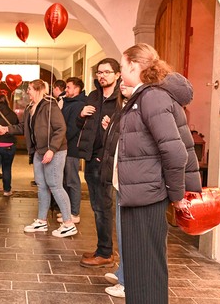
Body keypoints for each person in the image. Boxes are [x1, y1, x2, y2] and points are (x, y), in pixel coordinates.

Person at [118, 43, 201, 304]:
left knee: (146, 268)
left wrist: (178, 196)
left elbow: (175, 152)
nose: (121, 72)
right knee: (139, 268)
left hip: (148, 194)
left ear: (133, 65)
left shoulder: (152, 97)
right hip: (140, 192)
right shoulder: (145, 96)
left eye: (121, 66)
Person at [0, 79, 78, 238]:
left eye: (29, 89)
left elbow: (61, 128)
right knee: (42, 185)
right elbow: (23, 127)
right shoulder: (29, 108)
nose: (27, 92)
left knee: (55, 185)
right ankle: (41, 221)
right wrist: (6, 129)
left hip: (54, 151)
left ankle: (69, 224)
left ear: (39, 89)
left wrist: (52, 150)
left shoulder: (50, 105)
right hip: (38, 151)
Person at [77, 58, 120, 268]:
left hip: (107, 160)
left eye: (107, 72)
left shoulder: (121, 99)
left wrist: (112, 126)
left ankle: (106, 252)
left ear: (118, 75)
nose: (102, 76)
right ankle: (102, 247)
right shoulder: (93, 96)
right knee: (96, 206)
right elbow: (80, 126)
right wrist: (81, 114)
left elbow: (126, 130)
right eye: (99, 72)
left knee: (103, 206)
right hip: (90, 158)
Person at [99, 80, 133, 298]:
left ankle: (127, 281)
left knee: (128, 233)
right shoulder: (124, 109)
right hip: (121, 179)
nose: (122, 86)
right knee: (121, 230)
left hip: (133, 181)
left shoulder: (139, 109)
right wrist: (108, 128)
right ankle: (123, 272)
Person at [59, 77, 86, 223]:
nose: (66, 90)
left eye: (68, 87)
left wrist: (60, 140)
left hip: (72, 148)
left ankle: (75, 213)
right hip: (65, 146)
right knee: (65, 180)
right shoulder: (69, 103)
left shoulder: (78, 105)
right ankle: (67, 210)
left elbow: (72, 128)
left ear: (77, 89)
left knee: (72, 181)